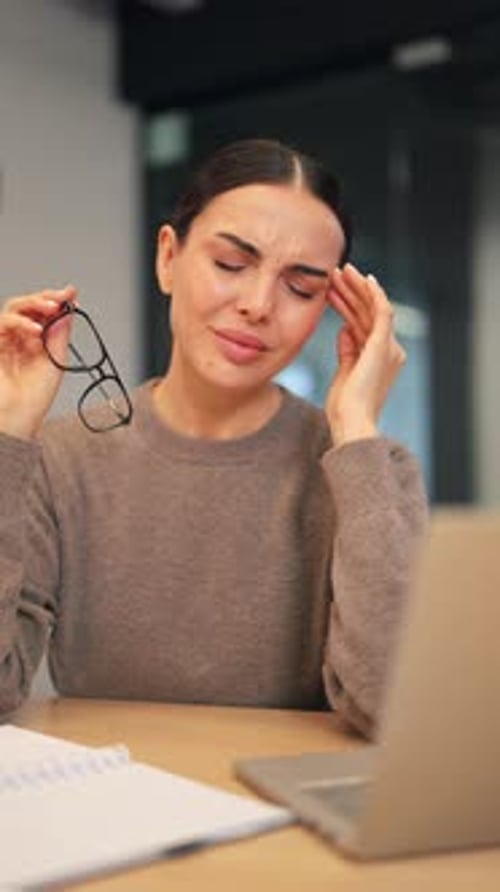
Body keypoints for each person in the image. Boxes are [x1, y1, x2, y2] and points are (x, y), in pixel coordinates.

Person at [0, 138, 426, 738]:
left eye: (301, 289)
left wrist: (355, 429)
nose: (257, 305)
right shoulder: (62, 461)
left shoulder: (370, 473)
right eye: (231, 264)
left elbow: (395, 711)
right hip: (115, 811)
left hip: (290, 816)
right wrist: (10, 432)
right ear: (168, 258)